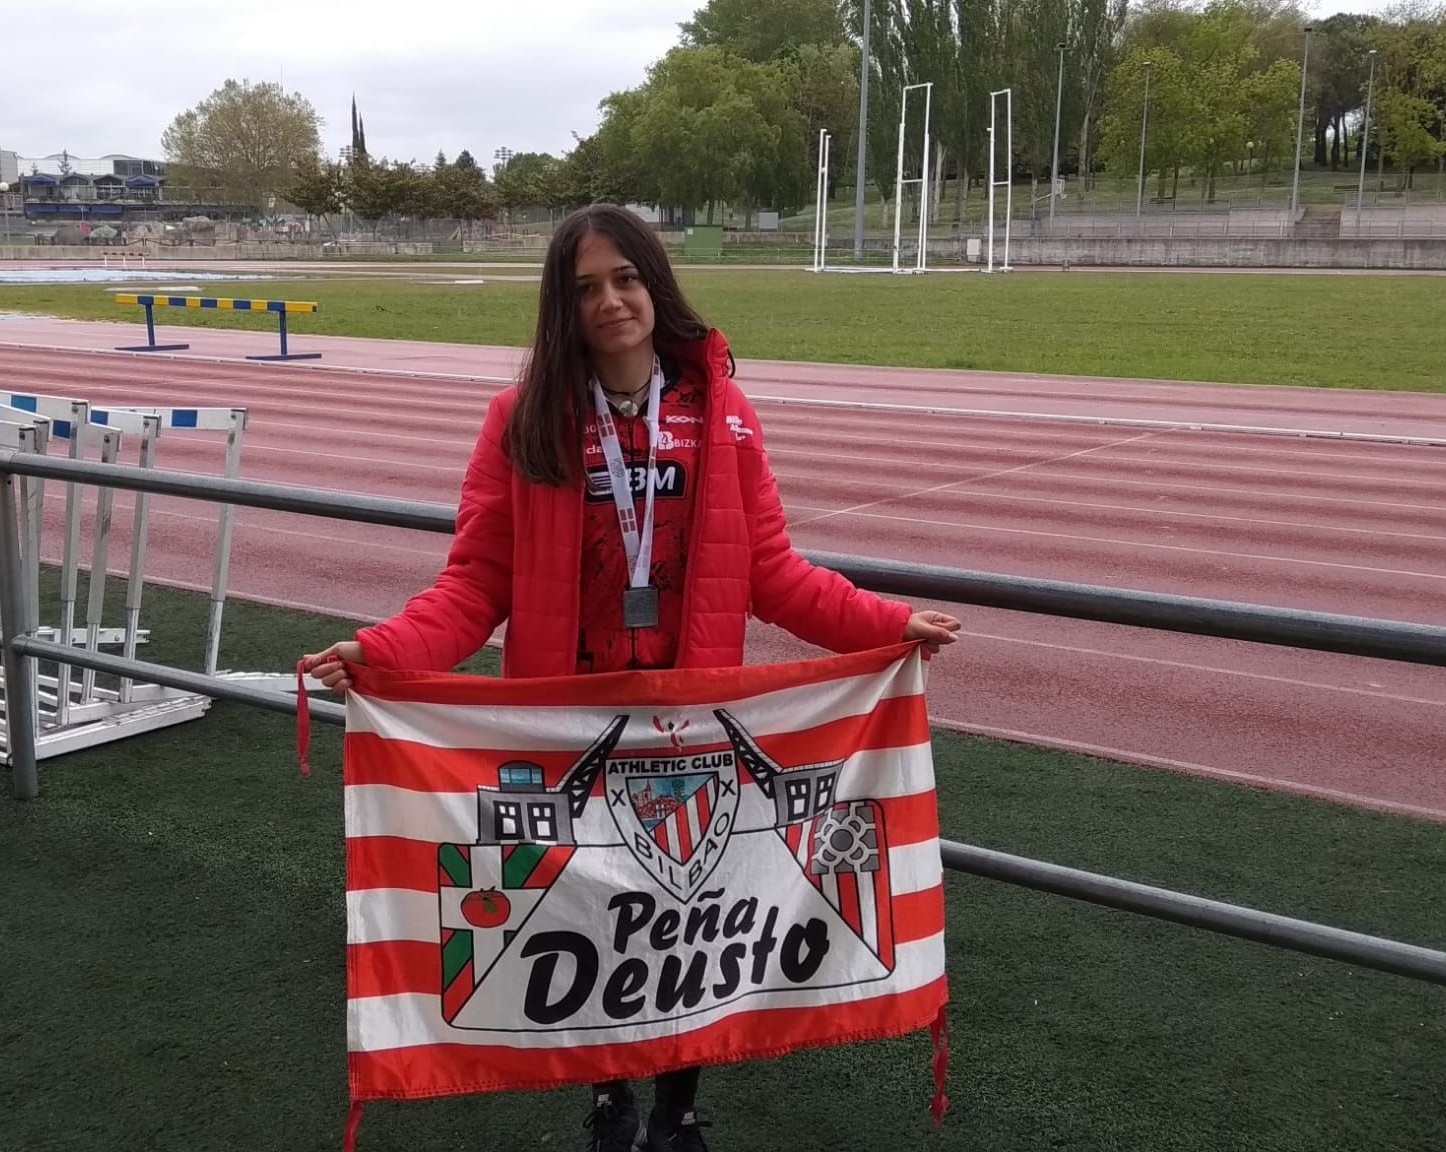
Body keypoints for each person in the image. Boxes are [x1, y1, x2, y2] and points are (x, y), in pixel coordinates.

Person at [304, 203, 960, 1152]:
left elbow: (775, 572)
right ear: (561, 308)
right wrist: (386, 650)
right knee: (592, 908)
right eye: (585, 289)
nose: (610, 301)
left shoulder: (723, 415)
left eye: (625, 278)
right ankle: (607, 1095)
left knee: (688, 914)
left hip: (690, 724)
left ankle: (677, 1109)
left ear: (655, 284)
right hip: (567, 724)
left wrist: (888, 624)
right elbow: (477, 581)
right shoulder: (523, 420)